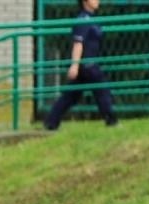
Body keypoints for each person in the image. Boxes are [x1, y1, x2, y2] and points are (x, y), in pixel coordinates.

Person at [45, 0, 119, 131]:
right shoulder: (83, 20)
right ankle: (111, 121)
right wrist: (75, 65)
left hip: (88, 64)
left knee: (71, 96)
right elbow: (78, 43)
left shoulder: (91, 19)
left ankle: (51, 122)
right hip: (87, 65)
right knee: (102, 90)